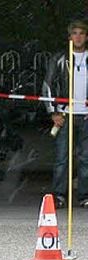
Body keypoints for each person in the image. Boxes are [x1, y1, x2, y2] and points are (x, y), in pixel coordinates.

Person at [42, 19, 88, 209]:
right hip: (64, 116)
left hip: (85, 116)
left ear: (86, 36)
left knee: (86, 159)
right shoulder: (59, 58)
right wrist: (54, 112)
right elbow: (47, 86)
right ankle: (59, 196)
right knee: (62, 159)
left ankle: (84, 196)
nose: (78, 37)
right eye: (74, 33)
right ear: (69, 37)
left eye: (82, 33)